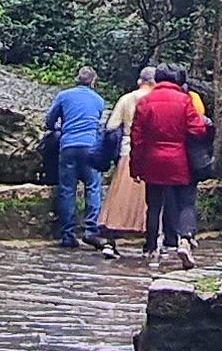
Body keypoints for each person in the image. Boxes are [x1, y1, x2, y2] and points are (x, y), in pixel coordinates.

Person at [126, 63, 213, 270]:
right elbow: (198, 130)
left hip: (153, 160)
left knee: (154, 205)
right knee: (186, 202)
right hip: (179, 160)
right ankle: (184, 240)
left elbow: (136, 138)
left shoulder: (145, 102)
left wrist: (136, 167)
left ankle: (151, 247)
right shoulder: (185, 101)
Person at [43, 66, 108, 249]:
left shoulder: (64, 96)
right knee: (93, 187)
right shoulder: (99, 100)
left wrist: (59, 129)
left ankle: (67, 235)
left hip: (69, 146)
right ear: (93, 82)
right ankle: (90, 231)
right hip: (90, 147)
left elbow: (49, 121)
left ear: (76, 79)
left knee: (67, 190)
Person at [95, 66, 153, 256]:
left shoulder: (126, 99)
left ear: (139, 81)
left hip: (128, 150)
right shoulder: (156, 99)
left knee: (118, 197)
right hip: (152, 153)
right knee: (152, 200)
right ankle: (149, 244)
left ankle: (110, 242)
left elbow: (111, 126)